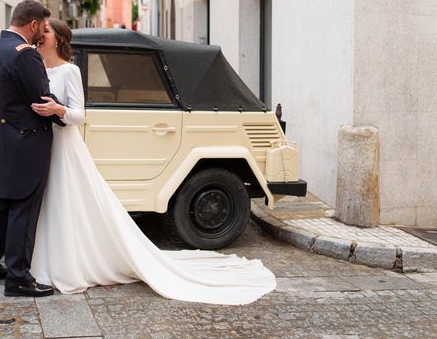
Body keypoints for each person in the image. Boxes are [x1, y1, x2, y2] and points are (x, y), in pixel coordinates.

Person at [28, 18, 276, 305]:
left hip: (66, 146)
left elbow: (79, 114)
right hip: (46, 144)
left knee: (68, 201)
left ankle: (69, 265)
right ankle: (46, 261)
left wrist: (58, 109)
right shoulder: (39, 68)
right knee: (51, 203)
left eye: (45, 31)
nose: (39, 34)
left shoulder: (70, 70)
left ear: (58, 39)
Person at [0, 0, 65, 298]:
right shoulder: (25, 55)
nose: (42, 32)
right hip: (27, 141)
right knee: (22, 210)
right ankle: (18, 278)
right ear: (34, 24)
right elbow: (42, 99)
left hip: (1, 138)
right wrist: (62, 113)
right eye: (42, 26)